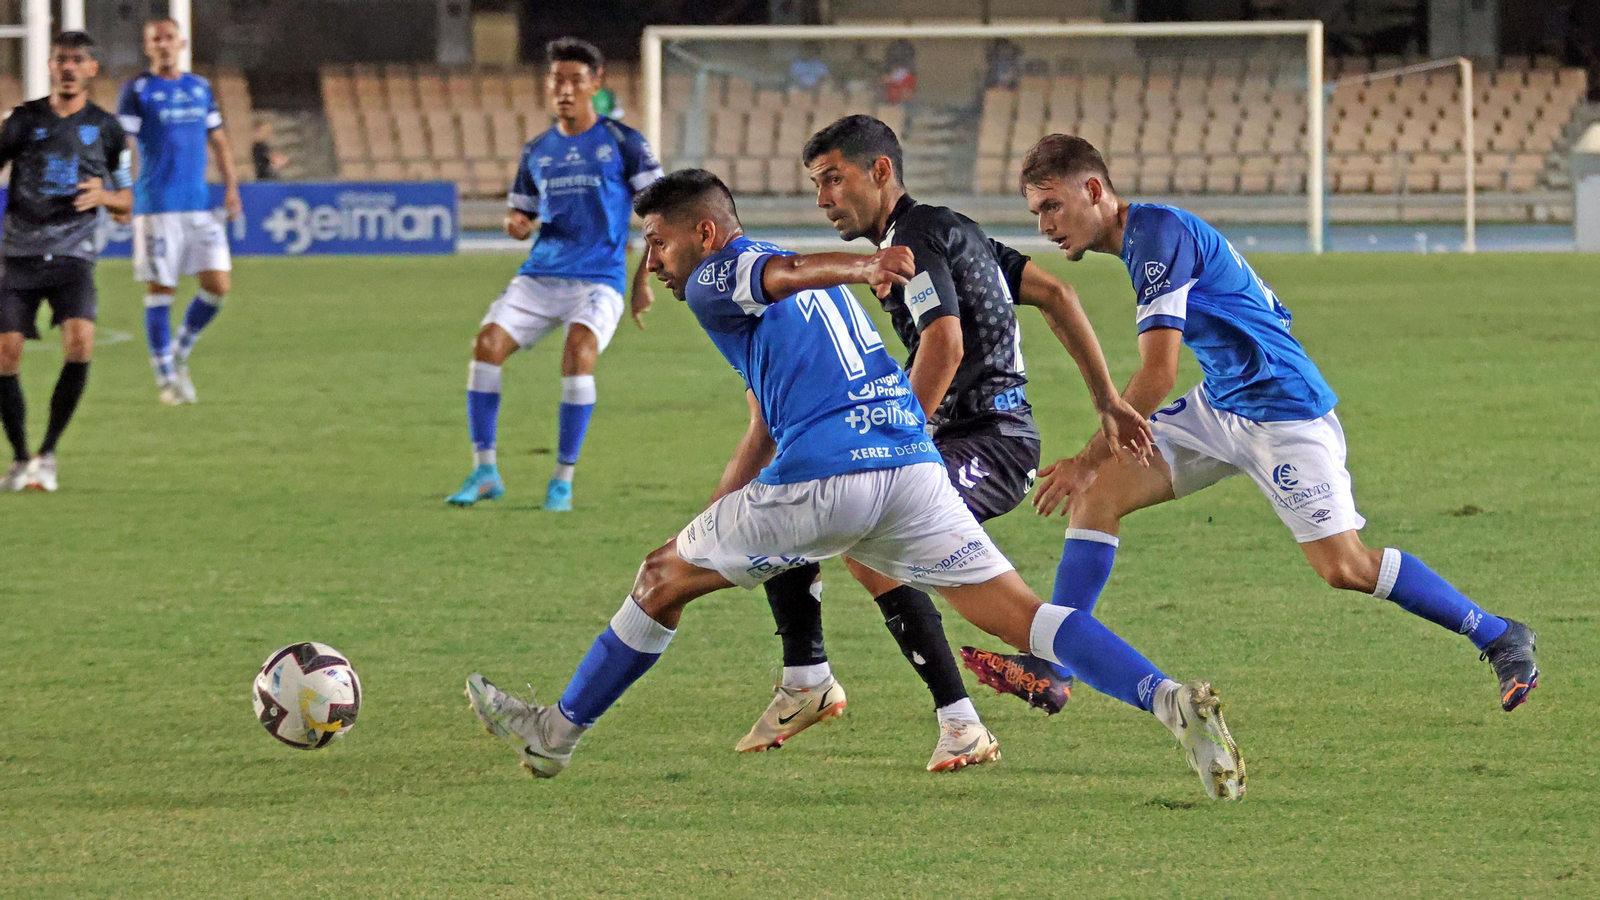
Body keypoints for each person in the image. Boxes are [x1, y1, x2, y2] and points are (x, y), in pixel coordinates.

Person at [464, 168, 1248, 802]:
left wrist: (864, 264)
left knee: (658, 579)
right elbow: (764, 422)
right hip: (910, 470)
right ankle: (1169, 700)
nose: (654, 263)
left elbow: (784, 272)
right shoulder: (791, 303)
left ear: (704, 233)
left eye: (659, 243)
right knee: (1025, 617)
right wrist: (720, 512)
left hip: (830, 477)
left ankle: (556, 734)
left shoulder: (722, 276)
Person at [965, 134, 1539, 716]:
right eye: (1036, 213)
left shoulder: (1157, 236)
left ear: (1093, 190)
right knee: (1098, 496)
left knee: (1344, 567)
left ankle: (1499, 635)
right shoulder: (1145, 238)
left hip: (1283, 410)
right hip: (1222, 404)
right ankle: (1056, 667)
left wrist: (1085, 458)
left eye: (1052, 206)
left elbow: (1158, 374)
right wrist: (1094, 467)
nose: (1045, 225)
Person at [734, 114, 1152, 772]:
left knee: (864, 528)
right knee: (857, 532)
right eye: (816, 184)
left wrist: (893, 445)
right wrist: (1104, 399)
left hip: (991, 442)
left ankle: (977, 701)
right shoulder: (949, 228)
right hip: (984, 436)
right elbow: (1057, 293)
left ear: (880, 171)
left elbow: (945, 345)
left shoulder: (915, 237)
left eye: (833, 179)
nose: (822, 199)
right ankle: (968, 707)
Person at [446, 37, 661, 511]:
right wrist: (516, 224)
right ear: (547, 85)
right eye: (557, 80)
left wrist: (643, 279)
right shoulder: (537, 151)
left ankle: (561, 480)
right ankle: (485, 471)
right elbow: (520, 213)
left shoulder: (624, 143)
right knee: (486, 346)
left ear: (595, 84)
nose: (565, 90)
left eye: (575, 81)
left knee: (578, 352)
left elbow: (659, 213)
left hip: (598, 278)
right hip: (541, 274)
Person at [0, 31, 132, 492]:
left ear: (91, 69)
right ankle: (20, 458)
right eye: (61, 60)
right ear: (51, 67)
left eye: (77, 60)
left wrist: (105, 195)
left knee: (80, 343)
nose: (69, 67)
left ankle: (48, 453)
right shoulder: (23, 120)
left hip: (73, 255)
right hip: (19, 255)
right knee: (5, 354)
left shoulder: (108, 129)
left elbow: (127, 201)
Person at [118, 16, 241, 406]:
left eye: (169, 38)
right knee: (161, 290)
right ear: (147, 47)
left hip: (198, 205)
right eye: (156, 39)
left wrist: (232, 187)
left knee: (218, 285)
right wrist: (121, 188)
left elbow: (218, 140)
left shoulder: (199, 87)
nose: (164, 44)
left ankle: (180, 349)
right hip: (157, 207)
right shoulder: (138, 90)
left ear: (182, 43)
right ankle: (166, 378)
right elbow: (124, 144)